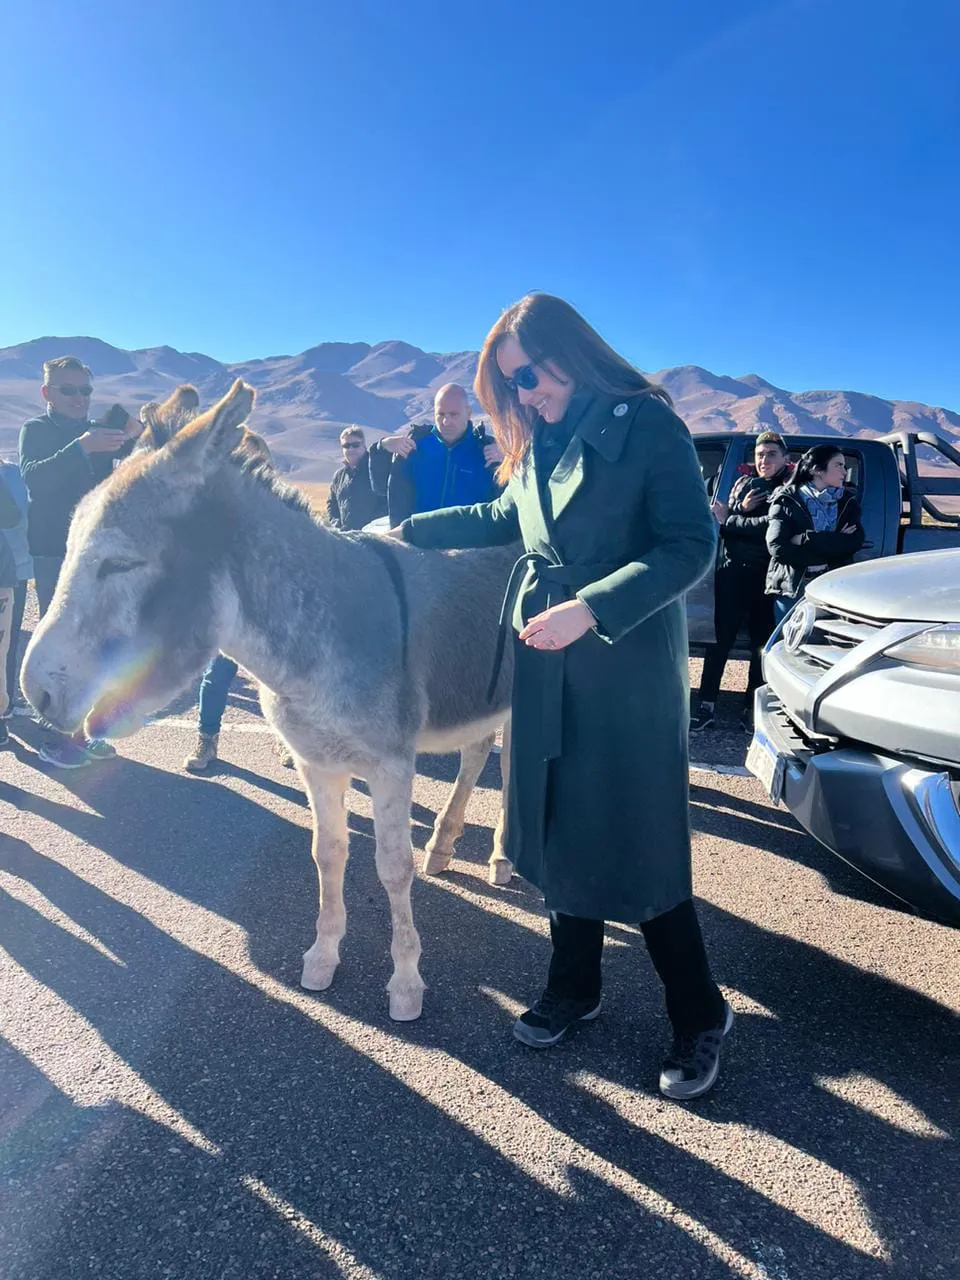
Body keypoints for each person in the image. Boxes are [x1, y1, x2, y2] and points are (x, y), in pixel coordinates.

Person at [391, 293, 731, 1101]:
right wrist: (408, 530)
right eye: (508, 387)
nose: (522, 397)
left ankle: (700, 1011)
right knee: (559, 825)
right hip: (547, 657)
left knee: (638, 835)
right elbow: (501, 514)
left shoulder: (649, 425)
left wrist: (593, 607)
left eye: (529, 377)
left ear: (570, 355)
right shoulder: (538, 441)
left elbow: (692, 544)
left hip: (623, 663)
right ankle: (575, 986)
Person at [19, 356, 142, 767]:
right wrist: (81, 449)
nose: (78, 398)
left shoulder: (97, 433)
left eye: (84, 390)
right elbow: (34, 477)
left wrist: (138, 433)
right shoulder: (35, 431)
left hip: (97, 553)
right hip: (56, 550)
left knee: (97, 639)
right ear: (47, 393)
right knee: (62, 640)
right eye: (67, 390)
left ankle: (88, 732)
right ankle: (59, 737)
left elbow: (144, 452)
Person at [184, 431, 277, 773]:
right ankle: (207, 739)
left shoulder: (277, 504)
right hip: (230, 606)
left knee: (278, 679)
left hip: (270, 605)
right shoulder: (215, 505)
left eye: (255, 461)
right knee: (218, 674)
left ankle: (287, 740)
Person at [691, 431, 792, 733]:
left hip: (766, 577)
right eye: (760, 454)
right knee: (719, 642)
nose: (764, 460)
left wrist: (733, 518)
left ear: (785, 459)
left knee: (761, 645)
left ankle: (751, 708)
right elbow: (721, 526)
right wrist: (738, 513)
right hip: (732, 573)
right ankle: (706, 705)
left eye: (772, 454)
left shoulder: (788, 490)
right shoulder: (743, 484)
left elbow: (772, 529)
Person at [369, 383, 502, 525]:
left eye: (453, 414)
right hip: (417, 542)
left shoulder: (488, 451)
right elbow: (380, 487)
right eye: (441, 414)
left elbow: (510, 503)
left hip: (472, 543)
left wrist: (509, 461)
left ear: (468, 413)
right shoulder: (413, 447)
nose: (446, 421)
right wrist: (382, 448)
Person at [766, 445, 865, 624]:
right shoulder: (787, 499)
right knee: (787, 641)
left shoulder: (847, 502)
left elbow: (854, 541)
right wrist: (833, 541)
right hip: (794, 586)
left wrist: (805, 538)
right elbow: (777, 546)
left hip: (832, 585)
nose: (844, 471)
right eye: (838, 465)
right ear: (817, 470)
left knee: (825, 643)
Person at [325, 427, 387, 530]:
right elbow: (332, 503)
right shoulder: (339, 476)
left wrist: (374, 526)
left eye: (355, 445)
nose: (351, 449)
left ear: (364, 446)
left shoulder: (376, 470)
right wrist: (336, 524)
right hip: (346, 539)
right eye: (346, 446)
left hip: (375, 538)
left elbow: (387, 501)